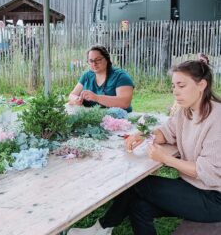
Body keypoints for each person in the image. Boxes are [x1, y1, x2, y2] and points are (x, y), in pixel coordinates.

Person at [68, 54, 221, 235]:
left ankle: (100, 229)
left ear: (201, 85)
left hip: (213, 198)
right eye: (173, 86)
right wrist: (143, 134)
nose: (175, 92)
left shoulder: (216, 118)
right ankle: (102, 229)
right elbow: (167, 132)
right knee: (139, 206)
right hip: (191, 187)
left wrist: (165, 159)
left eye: (181, 86)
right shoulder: (186, 111)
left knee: (138, 183)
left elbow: (208, 172)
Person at [68, 45, 134, 112]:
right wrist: (76, 99)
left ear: (107, 59)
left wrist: (96, 97)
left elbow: (124, 103)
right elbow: (72, 95)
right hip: (91, 117)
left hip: (117, 119)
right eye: (91, 61)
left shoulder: (121, 76)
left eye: (98, 60)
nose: (94, 64)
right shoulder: (87, 76)